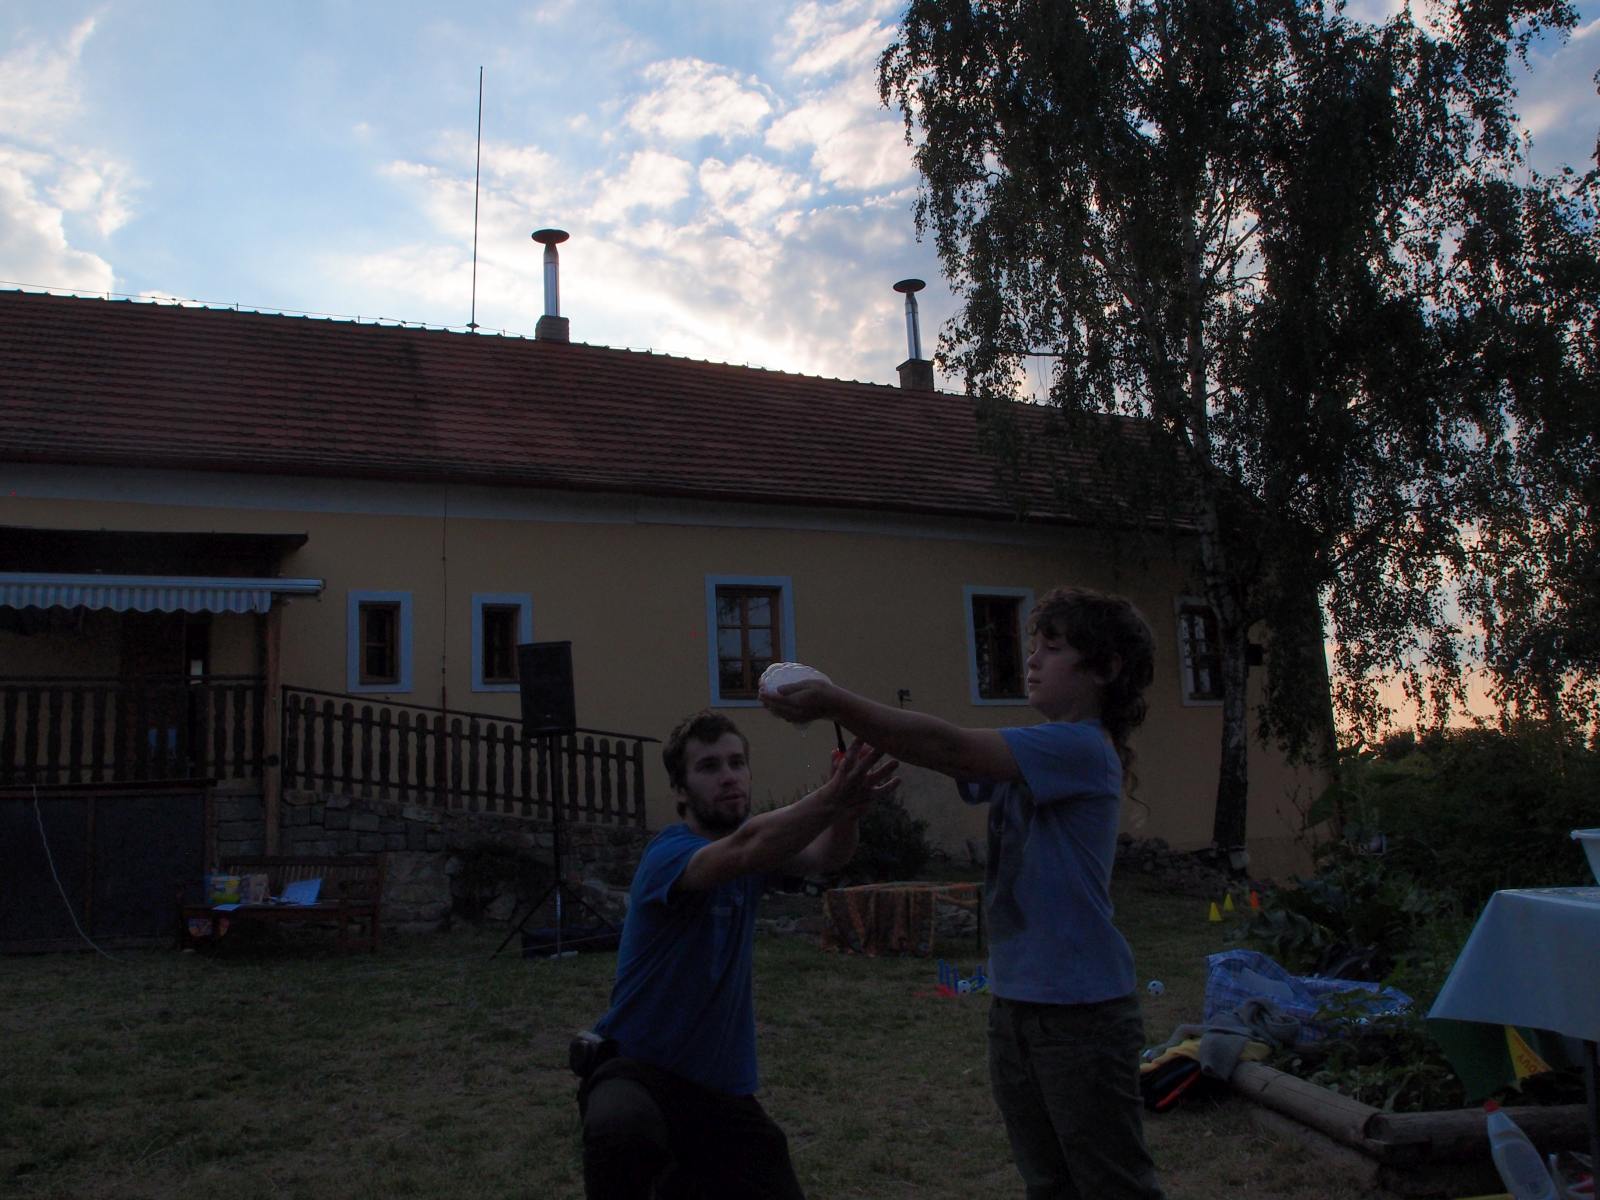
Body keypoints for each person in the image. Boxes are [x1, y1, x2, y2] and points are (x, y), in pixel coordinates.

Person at [763, 586, 1166, 1200]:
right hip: (1016, 1003)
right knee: (1049, 1183)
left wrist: (834, 700)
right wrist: (857, 761)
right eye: (1034, 645)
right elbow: (949, 756)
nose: (1032, 659)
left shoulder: (1082, 747)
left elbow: (950, 747)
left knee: (1112, 1187)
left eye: (1053, 648)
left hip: (1081, 1013)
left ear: (1105, 669)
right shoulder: (1036, 747)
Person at [576, 709, 899, 1199]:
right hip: (640, 1071)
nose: (729, 776)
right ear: (680, 790)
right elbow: (747, 848)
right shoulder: (669, 855)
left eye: (737, 762)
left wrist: (848, 813)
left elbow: (827, 856)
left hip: (720, 1091)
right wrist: (833, 796)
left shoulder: (759, 851)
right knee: (621, 1129)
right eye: (709, 766)